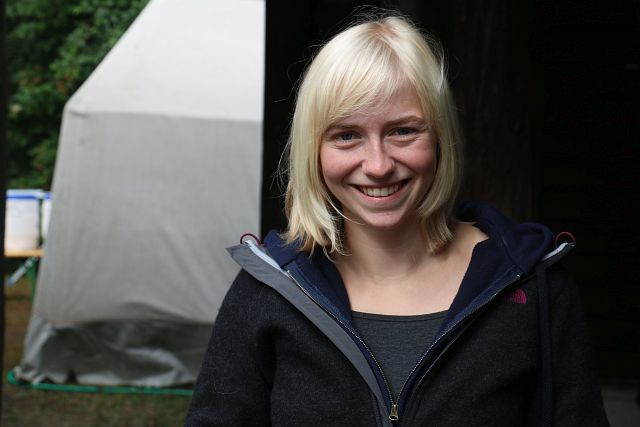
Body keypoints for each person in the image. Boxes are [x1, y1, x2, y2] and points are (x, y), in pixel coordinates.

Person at [185, 13, 609, 427]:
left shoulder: (533, 287)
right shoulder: (269, 290)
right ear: (312, 150)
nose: (378, 165)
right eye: (346, 135)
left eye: (403, 131)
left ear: (440, 136)